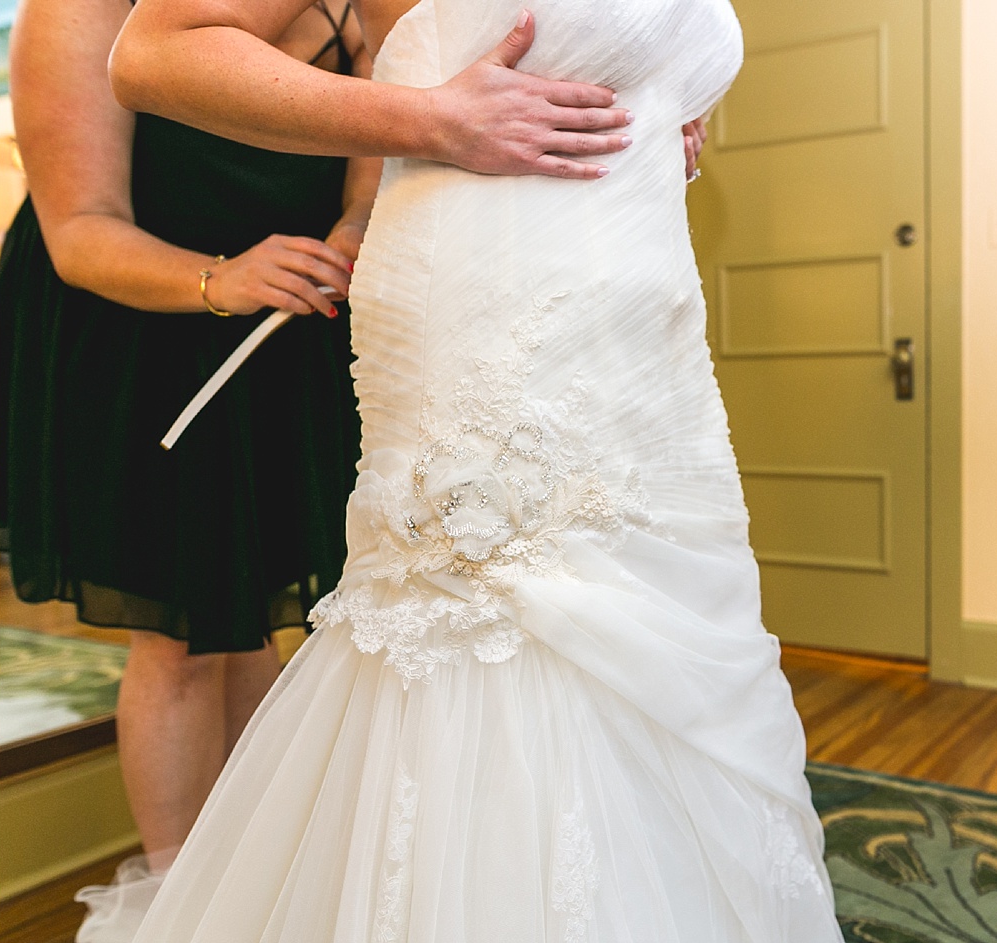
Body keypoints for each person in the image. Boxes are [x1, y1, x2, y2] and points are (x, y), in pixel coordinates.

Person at [104, 0, 845, 939]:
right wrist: (431, 117)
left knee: (660, 630)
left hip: (642, 337)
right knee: (497, 628)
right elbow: (156, 52)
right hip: (491, 300)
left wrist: (677, 96)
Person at [2, 0, 370, 928]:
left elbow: (374, 167)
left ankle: (246, 862)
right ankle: (175, 900)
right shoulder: (82, 10)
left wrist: (358, 230)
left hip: (290, 328)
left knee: (253, 613)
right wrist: (223, 280)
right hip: (137, 328)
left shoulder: (362, 9)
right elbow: (79, 228)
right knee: (173, 634)